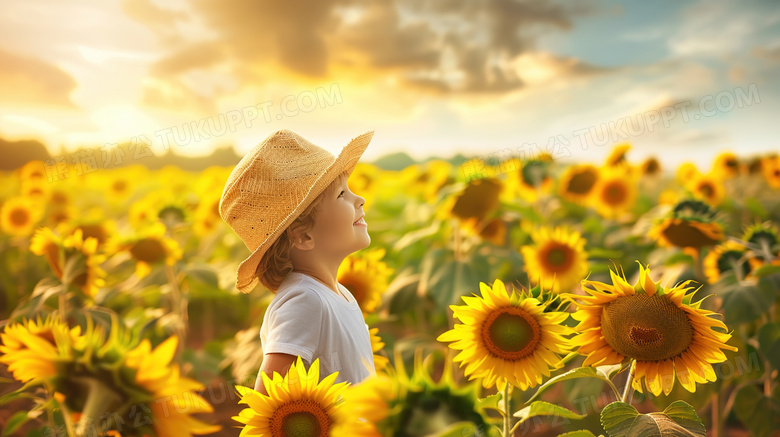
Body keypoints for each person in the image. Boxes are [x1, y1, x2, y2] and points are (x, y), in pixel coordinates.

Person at [219, 128, 377, 396]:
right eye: (341, 195)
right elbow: (270, 405)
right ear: (303, 235)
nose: (359, 199)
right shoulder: (305, 300)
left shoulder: (339, 294)